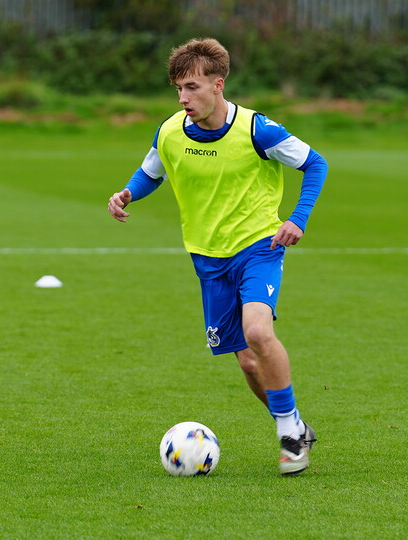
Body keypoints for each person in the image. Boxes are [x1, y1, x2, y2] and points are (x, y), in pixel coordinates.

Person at [108, 38, 328, 475]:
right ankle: (296, 422)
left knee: (258, 334)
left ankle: (287, 434)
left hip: (258, 246)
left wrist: (297, 219)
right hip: (207, 257)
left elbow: (314, 163)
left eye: (192, 87)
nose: (183, 98)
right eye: (178, 89)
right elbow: (152, 170)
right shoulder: (171, 130)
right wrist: (129, 193)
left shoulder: (256, 130)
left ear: (218, 85)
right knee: (247, 361)